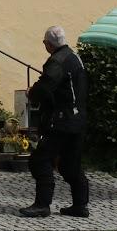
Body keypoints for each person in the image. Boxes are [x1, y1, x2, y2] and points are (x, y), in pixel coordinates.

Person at [19, 25, 89, 218]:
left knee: (40, 160)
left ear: (49, 44)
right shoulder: (75, 58)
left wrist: (31, 93)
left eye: (44, 43)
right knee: (70, 164)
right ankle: (80, 205)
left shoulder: (57, 62)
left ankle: (42, 205)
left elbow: (45, 87)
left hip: (61, 121)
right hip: (78, 120)